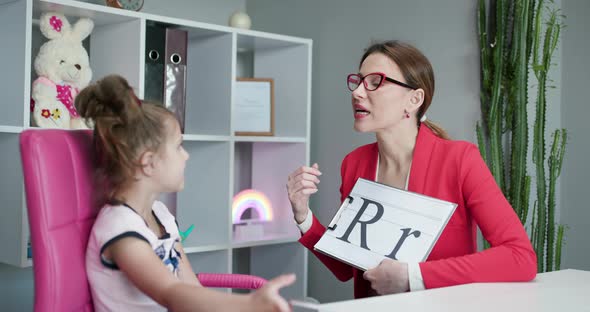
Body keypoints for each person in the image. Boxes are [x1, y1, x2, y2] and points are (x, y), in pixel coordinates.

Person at [286, 40, 537, 299]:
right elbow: (347, 268)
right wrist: (304, 216)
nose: (358, 92)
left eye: (375, 82)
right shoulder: (354, 164)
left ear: (414, 99)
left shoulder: (460, 159)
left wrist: (412, 277)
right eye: (359, 81)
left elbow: (520, 257)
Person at [81, 75, 295, 312]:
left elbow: (191, 289)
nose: (186, 155)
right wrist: (248, 304)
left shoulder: (161, 215)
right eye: (178, 146)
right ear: (149, 163)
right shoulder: (120, 230)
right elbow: (171, 294)